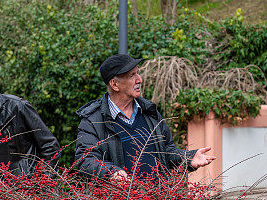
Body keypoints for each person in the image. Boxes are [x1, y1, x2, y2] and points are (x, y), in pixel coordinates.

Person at [74, 54, 214, 182]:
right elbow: (85, 161)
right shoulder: (93, 121)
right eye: (132, 76)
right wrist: (111, 173)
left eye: (138, 73)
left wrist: (188, 158)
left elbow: (166, 151)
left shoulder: (149, 113)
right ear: (115, 84)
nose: (139, 80)